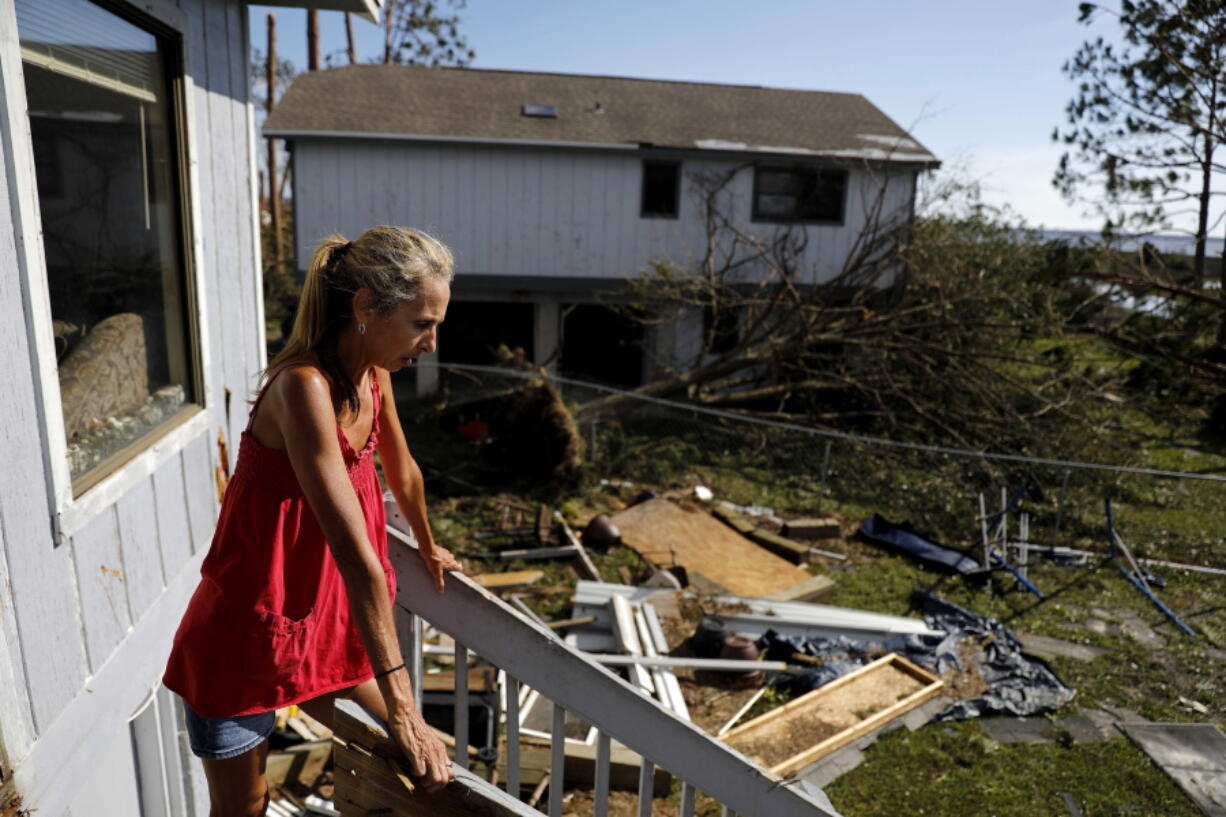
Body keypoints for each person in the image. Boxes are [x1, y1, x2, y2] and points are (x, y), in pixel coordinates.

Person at [163, 226, 463, 816]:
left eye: (436, 325)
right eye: (421, 324)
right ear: (365, 308)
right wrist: (404, 709)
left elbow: (405, 476)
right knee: (244, 809)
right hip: (246, 640)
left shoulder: (373, 376)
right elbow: (357, 557)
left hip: (320, 633)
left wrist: (427, 545)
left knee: (361, 780)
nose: (430, 343)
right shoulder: (303, 388)